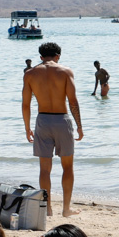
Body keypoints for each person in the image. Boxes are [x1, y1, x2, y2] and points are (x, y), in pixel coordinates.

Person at [22, 42, 84, 217]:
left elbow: (26, 104)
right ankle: (66, 209)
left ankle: (47, 209)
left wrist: (27, 128)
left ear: (41, 57)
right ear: (58, 56)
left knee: (44, 169)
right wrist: (79, 126)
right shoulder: (65, 72)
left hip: (43, 120)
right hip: (62, 120)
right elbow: (73, 101)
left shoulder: (30, 74)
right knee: (68, 166)